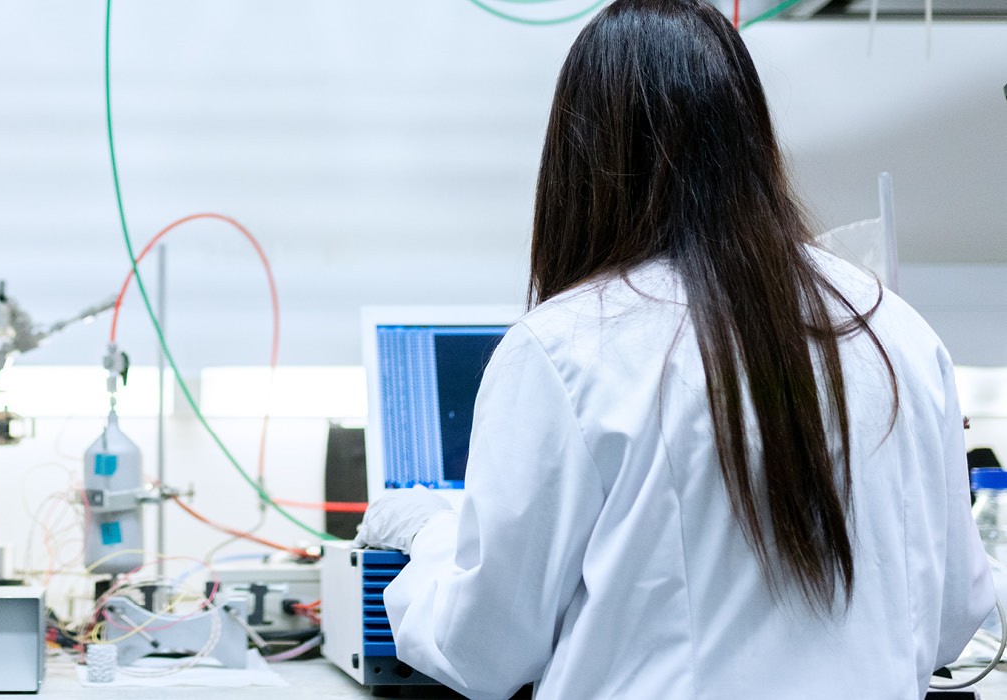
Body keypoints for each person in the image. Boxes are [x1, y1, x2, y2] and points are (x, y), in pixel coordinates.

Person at [352, 1, 995, 698]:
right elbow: (951, 621)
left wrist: (426, 536)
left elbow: (482, 649)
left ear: (583, 157)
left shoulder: (566, 349)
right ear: (751, 137)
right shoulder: (892, 331)